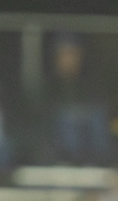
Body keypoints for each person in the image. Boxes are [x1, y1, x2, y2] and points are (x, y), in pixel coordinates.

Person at [36, 35, 111, 166]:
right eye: (64, 55)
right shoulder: (48, 85)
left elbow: (97, 106)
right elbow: (45, 114)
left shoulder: (90, 82)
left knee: (96, 117)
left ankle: (97, 163)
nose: (69, 60)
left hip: (87, 130)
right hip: (60, 136)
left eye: (73, 55)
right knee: (66, 120)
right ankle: (71, 160)